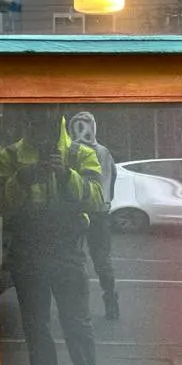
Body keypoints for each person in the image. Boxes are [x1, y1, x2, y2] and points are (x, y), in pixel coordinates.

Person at [0, 113, 108, 365]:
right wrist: (22, 179)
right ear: (25, 123)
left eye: (43, 122)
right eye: (32, 121)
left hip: (66, 250)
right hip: (28, 252)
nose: (38, 129)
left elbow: (97, 199)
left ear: (56, 122)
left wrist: (66, 174)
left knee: (77, 324)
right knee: (36, 325)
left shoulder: (80, 154)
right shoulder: (10, 156)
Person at [67, 110, 119, 320]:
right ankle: (111, 302)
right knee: (102, 260)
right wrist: (106, 200)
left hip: (78, 212)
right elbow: (112, 178)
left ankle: (78, 307)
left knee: (75, 260)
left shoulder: (72, 151)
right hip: (101, 212)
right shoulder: (105, 152)